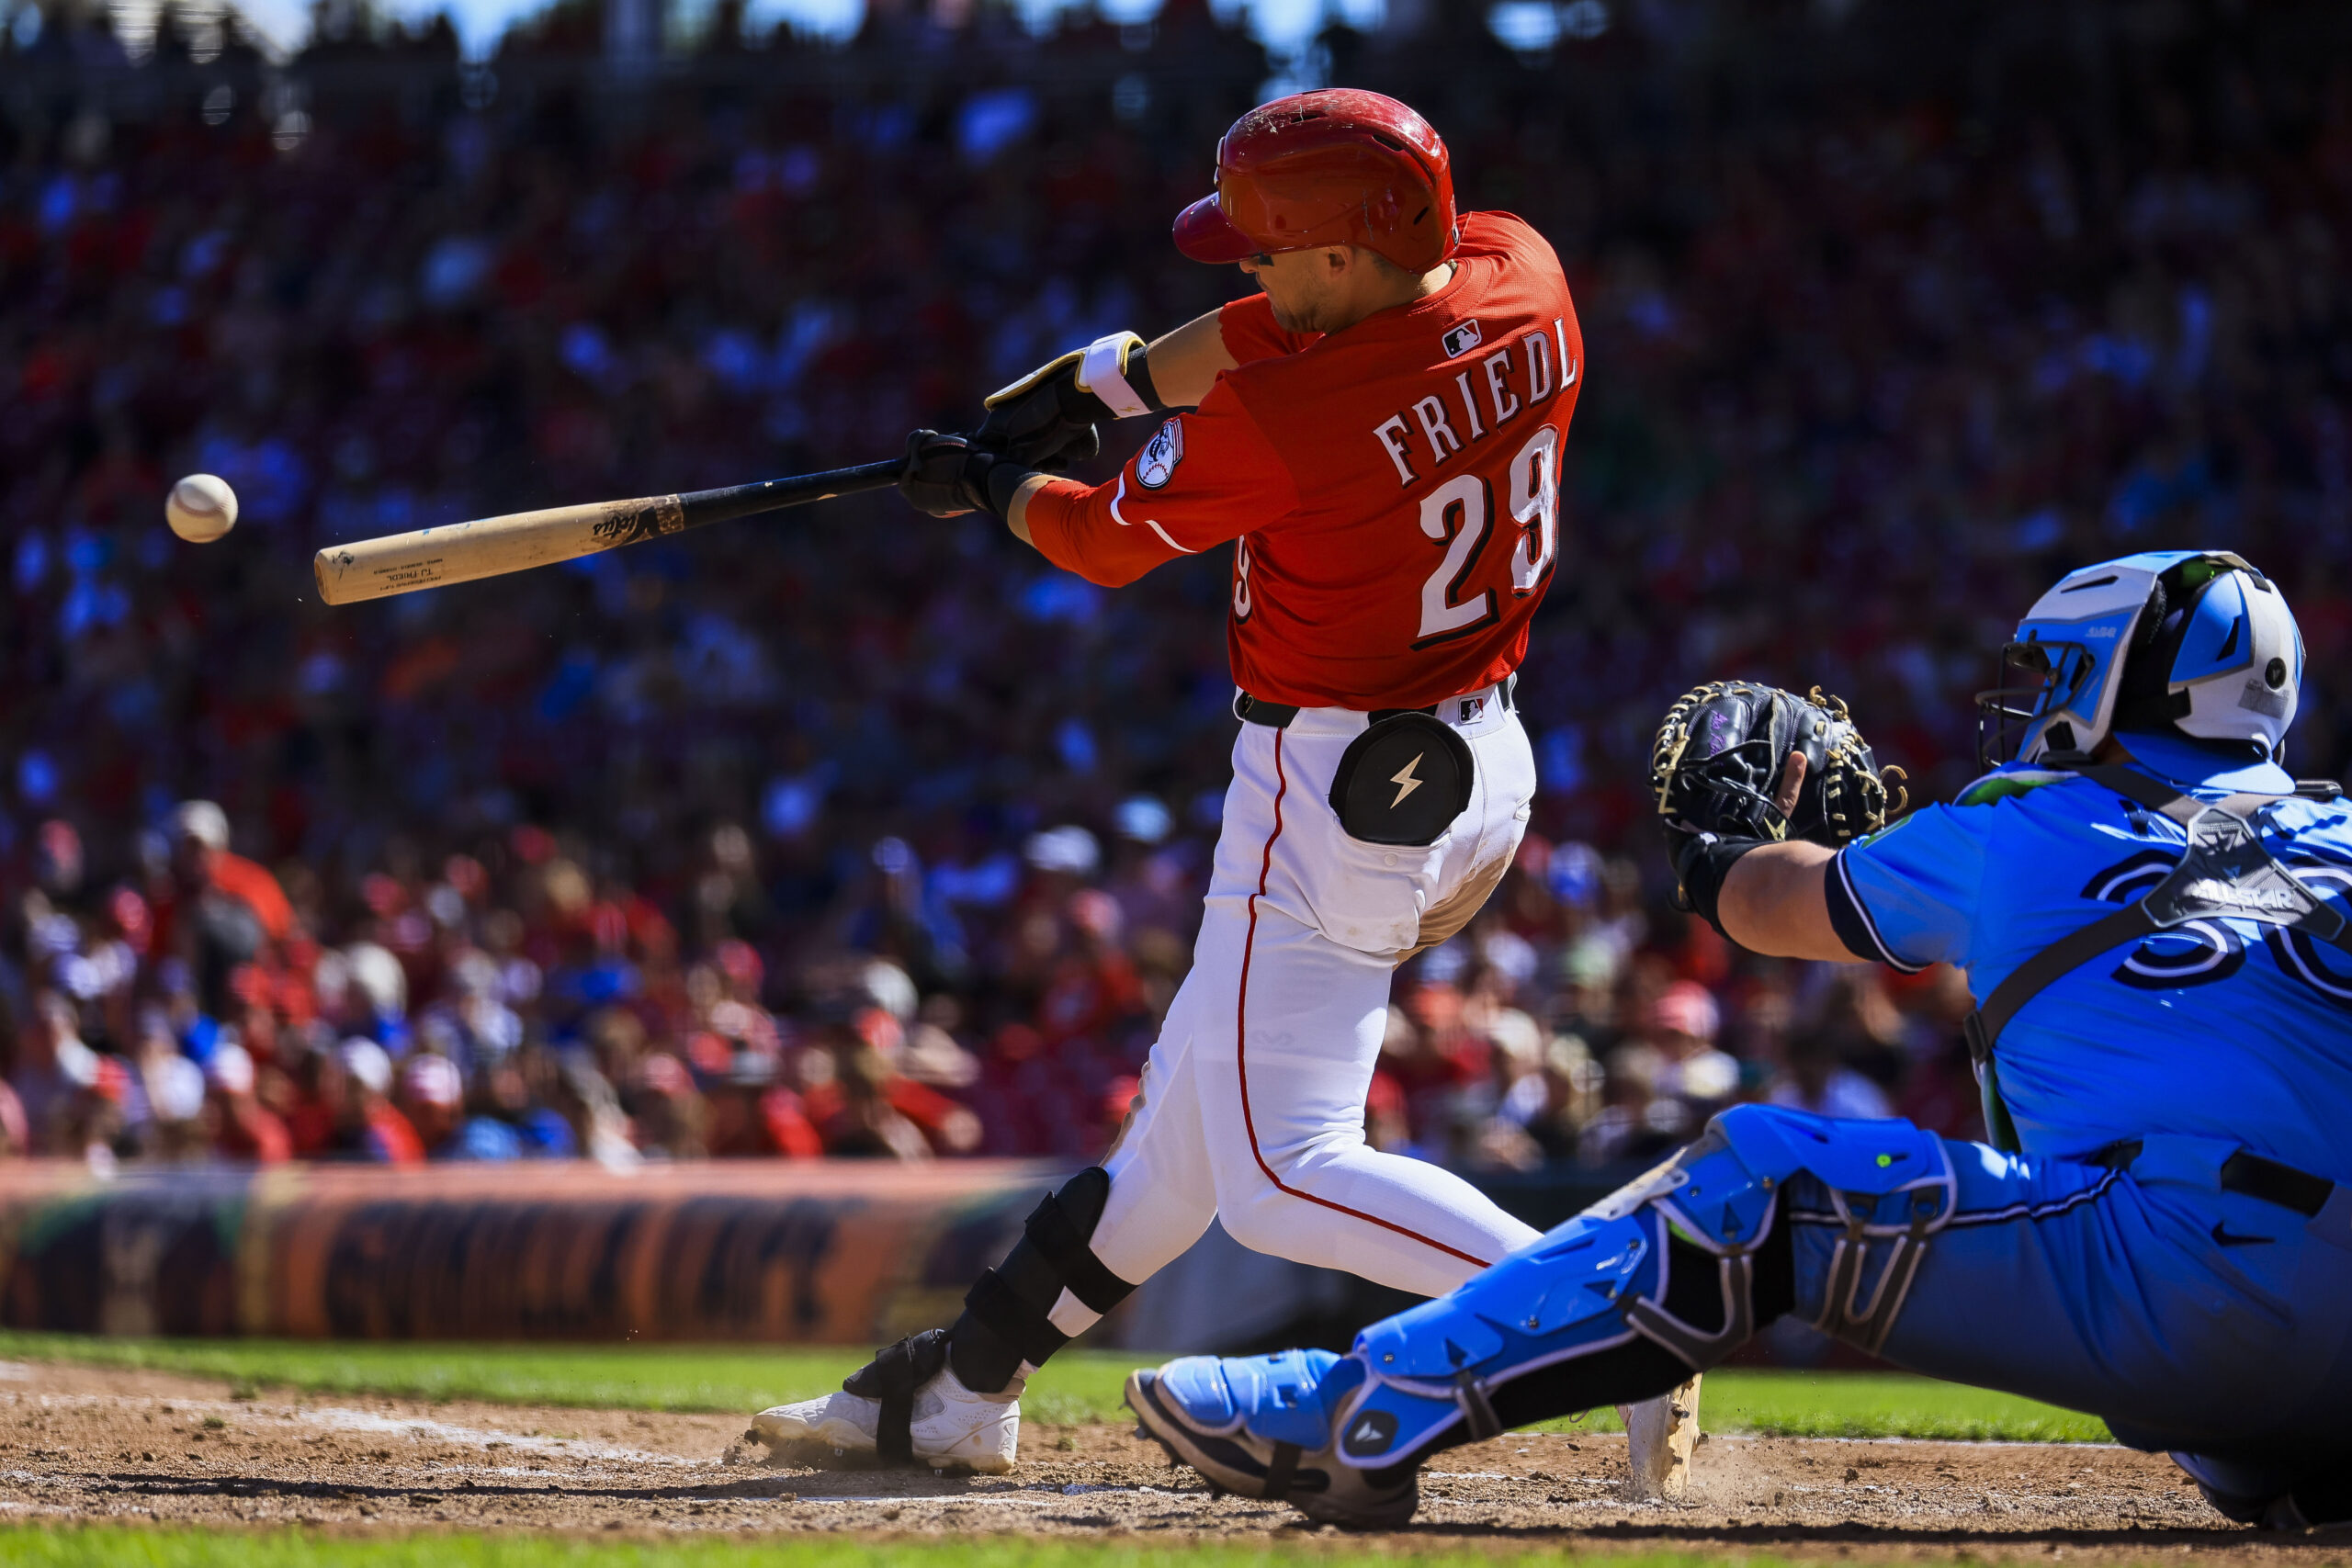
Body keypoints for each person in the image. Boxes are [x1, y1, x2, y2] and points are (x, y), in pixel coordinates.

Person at [1124, 549, 2352, 1530]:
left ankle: (1359, 1407)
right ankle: (2279, 1453)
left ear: (2113, 686)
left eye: (2055, 675)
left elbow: (1769, 907)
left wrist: (1716, 837)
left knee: (1765, 1176)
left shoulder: (2029, 823)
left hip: (2184, 1292)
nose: (2034, 707)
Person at [753, 88, 1584, 1472]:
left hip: (1328, 786)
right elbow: (1294, 322)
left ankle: (1609, 1312)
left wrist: (989, 487)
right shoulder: (1523, 271)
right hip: (1477, 757)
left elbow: (1097, 542)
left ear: (1342, 247)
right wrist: (1101, 388)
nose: (1247, 268)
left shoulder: (1286, 421)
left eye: (1268, 245)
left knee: (1273, 1176)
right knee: (1184, 1146)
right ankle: (963, 1389)